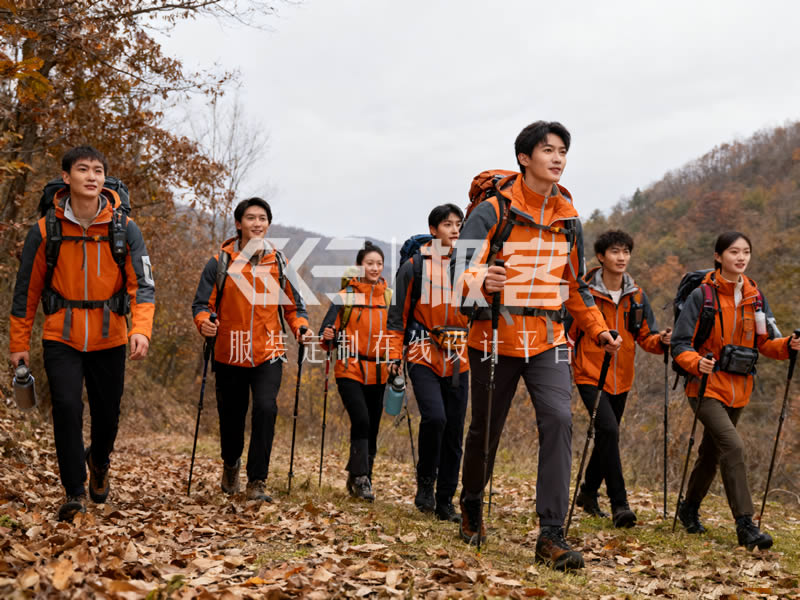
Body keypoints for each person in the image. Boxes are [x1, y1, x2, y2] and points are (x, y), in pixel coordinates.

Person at [452, 121, 621, 571]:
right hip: (493, 336)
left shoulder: (569, 218)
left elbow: (574, 286)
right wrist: (479, 279)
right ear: (524, 158)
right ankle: (471, 503)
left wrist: (598, 327)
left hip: (547, 341)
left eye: (563, 151)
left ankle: (551, 533)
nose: (558, 158)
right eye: (548, 150)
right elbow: (455, 274)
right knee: (485, 428)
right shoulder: (491, 212)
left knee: (561, 420)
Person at [9, 146, 155, 521]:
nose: (92, 176)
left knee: (107, 416)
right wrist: (18, 343)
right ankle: (74, 491)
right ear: (66, 177)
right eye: (83, 169)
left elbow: (143, 285)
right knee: (67, 409)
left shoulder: (124, 229)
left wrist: (141, 329)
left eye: (98, 170)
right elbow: (26, 290)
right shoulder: (46, 230)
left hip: (111, 336)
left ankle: (99, 462)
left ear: (105, 179)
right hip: (61, 335)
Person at [672, 231, 800, 550]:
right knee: (734, 446)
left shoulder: (755, 297)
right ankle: (746, 525)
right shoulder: (702, 295)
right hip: (704, 387)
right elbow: (679, 343)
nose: (740, 258)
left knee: (711, 453)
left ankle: (688, 509)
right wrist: (696, 361)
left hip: (740, 388)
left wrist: (789, 345)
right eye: (733, 252)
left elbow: (765, 343)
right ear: (718, 257)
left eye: (746, 252)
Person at [192, 197, 311, 502]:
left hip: (268, 351)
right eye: (250, 218)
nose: (257, 223)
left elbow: (295, 307)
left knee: (266, 409)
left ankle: (257, 481)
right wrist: (204, 322)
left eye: (262, 218)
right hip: (230, 351)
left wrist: (301, 327)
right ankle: (231, 464)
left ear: (268, 224)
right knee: (231, 417)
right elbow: (201, 305)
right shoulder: (221, 262)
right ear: (239, 223)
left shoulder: (280, 263)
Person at [566, 229, 671, 528]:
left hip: (622, 378)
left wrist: (661, 341)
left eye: (625, 251)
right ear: (601, 256)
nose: (621, 257)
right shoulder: (584, 292)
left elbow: (645, 337)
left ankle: (587, 492)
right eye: (615, 251)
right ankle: (620, 503)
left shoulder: (635, 294)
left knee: (606, 436)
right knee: (609, 431)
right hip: (589, 373)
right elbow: (568, 334)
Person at [387, 204, 470, 522]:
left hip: (460, 356)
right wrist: (395, 354)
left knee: (454, 431)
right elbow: (396, 318)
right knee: (435, 418)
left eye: (458, 225)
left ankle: (446, 499)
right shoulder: (414, 267)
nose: (454, 230)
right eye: (447, 224)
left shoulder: (469, 266)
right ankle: (425, 484)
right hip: (422, 352)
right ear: (433, 229)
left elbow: (480, 312)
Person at [319, 241, 391, 502]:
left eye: (379, 264)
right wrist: (328, 335)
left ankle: (361, 476)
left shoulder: (389, 297)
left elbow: (395, 334)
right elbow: (326, 333)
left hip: (380, 370)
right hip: (349, 367)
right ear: (360, 266)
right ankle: (361, 479)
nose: (374, 268)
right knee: (360, 419)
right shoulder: (345, 297)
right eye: (369, 263)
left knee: (372, 425)